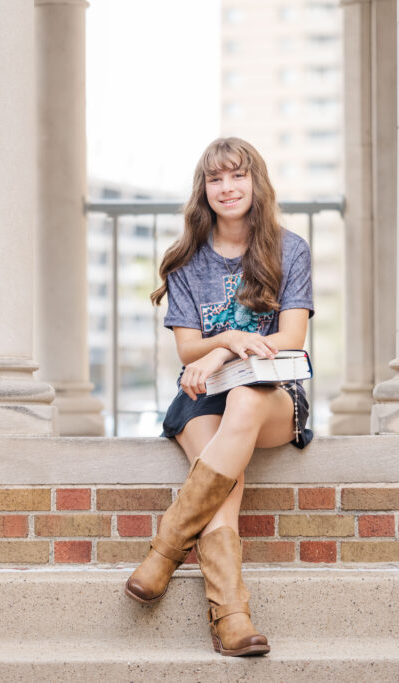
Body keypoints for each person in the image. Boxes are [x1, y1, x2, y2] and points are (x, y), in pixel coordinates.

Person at [124, 137, 314, 657]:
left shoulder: (289, 249)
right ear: (202, 189)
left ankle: (164, 552)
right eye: (215, 179)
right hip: (202, 396)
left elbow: (291, 338)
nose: (227, 188)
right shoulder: (186, 262)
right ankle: (233, 621)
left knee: (248, 399)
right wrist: (228, 341)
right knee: (224, 493)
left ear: (257, 182)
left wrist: (222, 356)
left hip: (272, 393)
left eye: (237, 176)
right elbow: (188, 349)